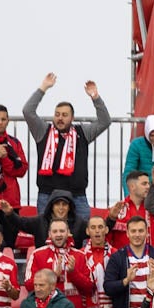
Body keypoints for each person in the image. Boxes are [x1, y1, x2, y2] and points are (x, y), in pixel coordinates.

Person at [24, 73, 112, 211]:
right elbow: (28, 111)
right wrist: (43, 88)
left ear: (72, 118)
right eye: (57, 114)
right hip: (47, 195)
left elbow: (105, 121)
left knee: (83, 226)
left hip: (77, 196)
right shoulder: (43, 131)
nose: (60, 118)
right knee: (45, 226)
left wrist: (95, 97)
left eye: (65, 115)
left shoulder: (82, 132)